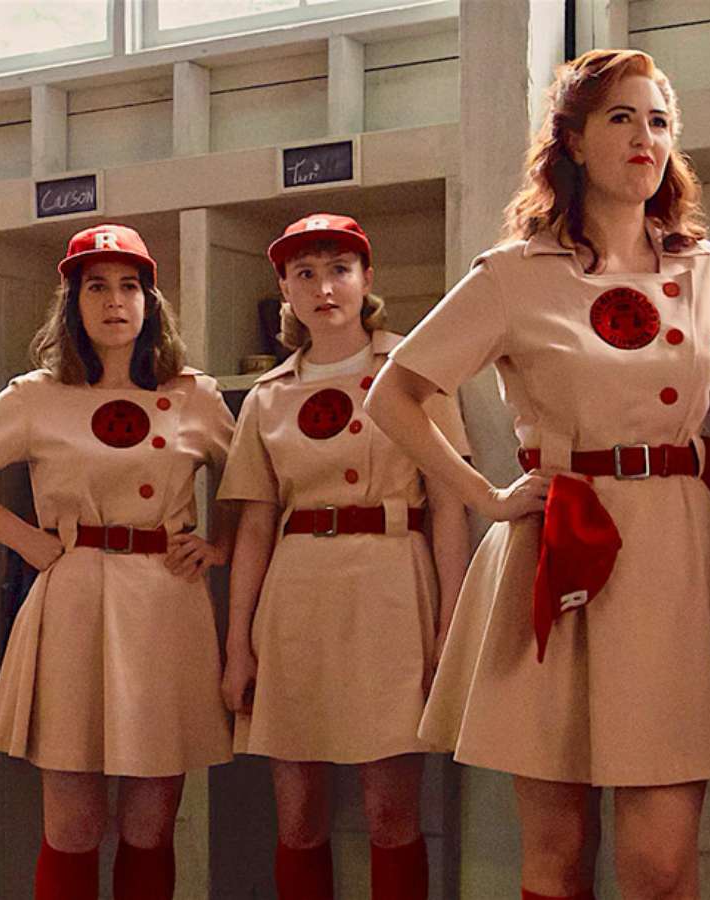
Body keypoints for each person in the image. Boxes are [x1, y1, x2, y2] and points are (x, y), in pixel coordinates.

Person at [366, 48, 710, 900]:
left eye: (658, 121)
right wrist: (485, 497)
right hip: (558, 551)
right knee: (557, 853)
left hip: (675, 556)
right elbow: (394, 395)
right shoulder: (514, 274)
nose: (644, 137)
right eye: (621, 118)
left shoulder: (707, 269)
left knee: (661, 863)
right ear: (574, 142)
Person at [0, 224, 234, 899]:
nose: (115, 301)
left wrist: (220, 542)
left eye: (129, 285)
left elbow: (255, 483)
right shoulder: (36, 395)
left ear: (149, 300)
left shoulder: (195, 394)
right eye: (96, 287)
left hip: (167, 604)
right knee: (73, 824)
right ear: (73, 303)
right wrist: (25, 540)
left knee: (151, 824)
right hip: (75, 602)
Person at [217, 213, 470, 900]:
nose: (324, 288)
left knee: (392, 812)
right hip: (296, 600)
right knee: (298, 817)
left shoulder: (414, 373)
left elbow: (450, 506)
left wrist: (451, 627)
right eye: (305, 274)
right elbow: (255, 527)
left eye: (338, 270)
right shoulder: (268, 396)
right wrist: (238, 645)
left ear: (366, 279)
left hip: (392, 589)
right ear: (285, 290)